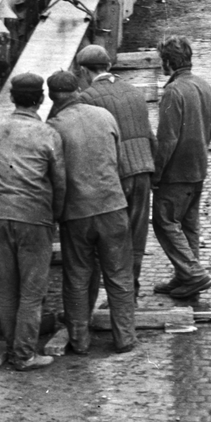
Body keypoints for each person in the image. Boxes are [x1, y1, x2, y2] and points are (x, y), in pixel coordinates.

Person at [46, 69, 137, 356]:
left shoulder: (54, 127)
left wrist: (58, 213)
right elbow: (120, 162)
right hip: (112, 206)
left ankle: (80, 340)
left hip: (77, 213)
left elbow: (56, 176)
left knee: (77, 277)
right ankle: (124, 338)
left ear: (51, 96)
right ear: (78, 89)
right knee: (119, 275)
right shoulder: (104, 116)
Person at [0, 71, 66, 371]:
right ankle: (24, 355)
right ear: (41, 99)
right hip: (34, 218)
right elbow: (60, 181)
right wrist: (55, 217)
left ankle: (11, 347)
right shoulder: (48, 135)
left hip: (0, 215)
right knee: (32, 292)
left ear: (11, 97)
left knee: (6, 289)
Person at [75, 44, 154, 290]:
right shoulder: (133, 91)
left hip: (116, 175)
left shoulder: (86, 98)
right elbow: (150, 135)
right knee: (137, 234)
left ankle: (117, 294)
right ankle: (133, 286)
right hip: (143, 170)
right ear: (108, 66)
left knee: (114, 236)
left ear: (83, 71)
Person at [151, 35, 211, 300]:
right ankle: (185, 275)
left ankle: (192, 273)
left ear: (167, 62)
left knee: (165, 222)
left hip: (177, 173)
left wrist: (157, 173)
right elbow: (209, 127)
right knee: (188, 225)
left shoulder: (173, 92)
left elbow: (167, 139)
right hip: (198, 167)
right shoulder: (203, 85)